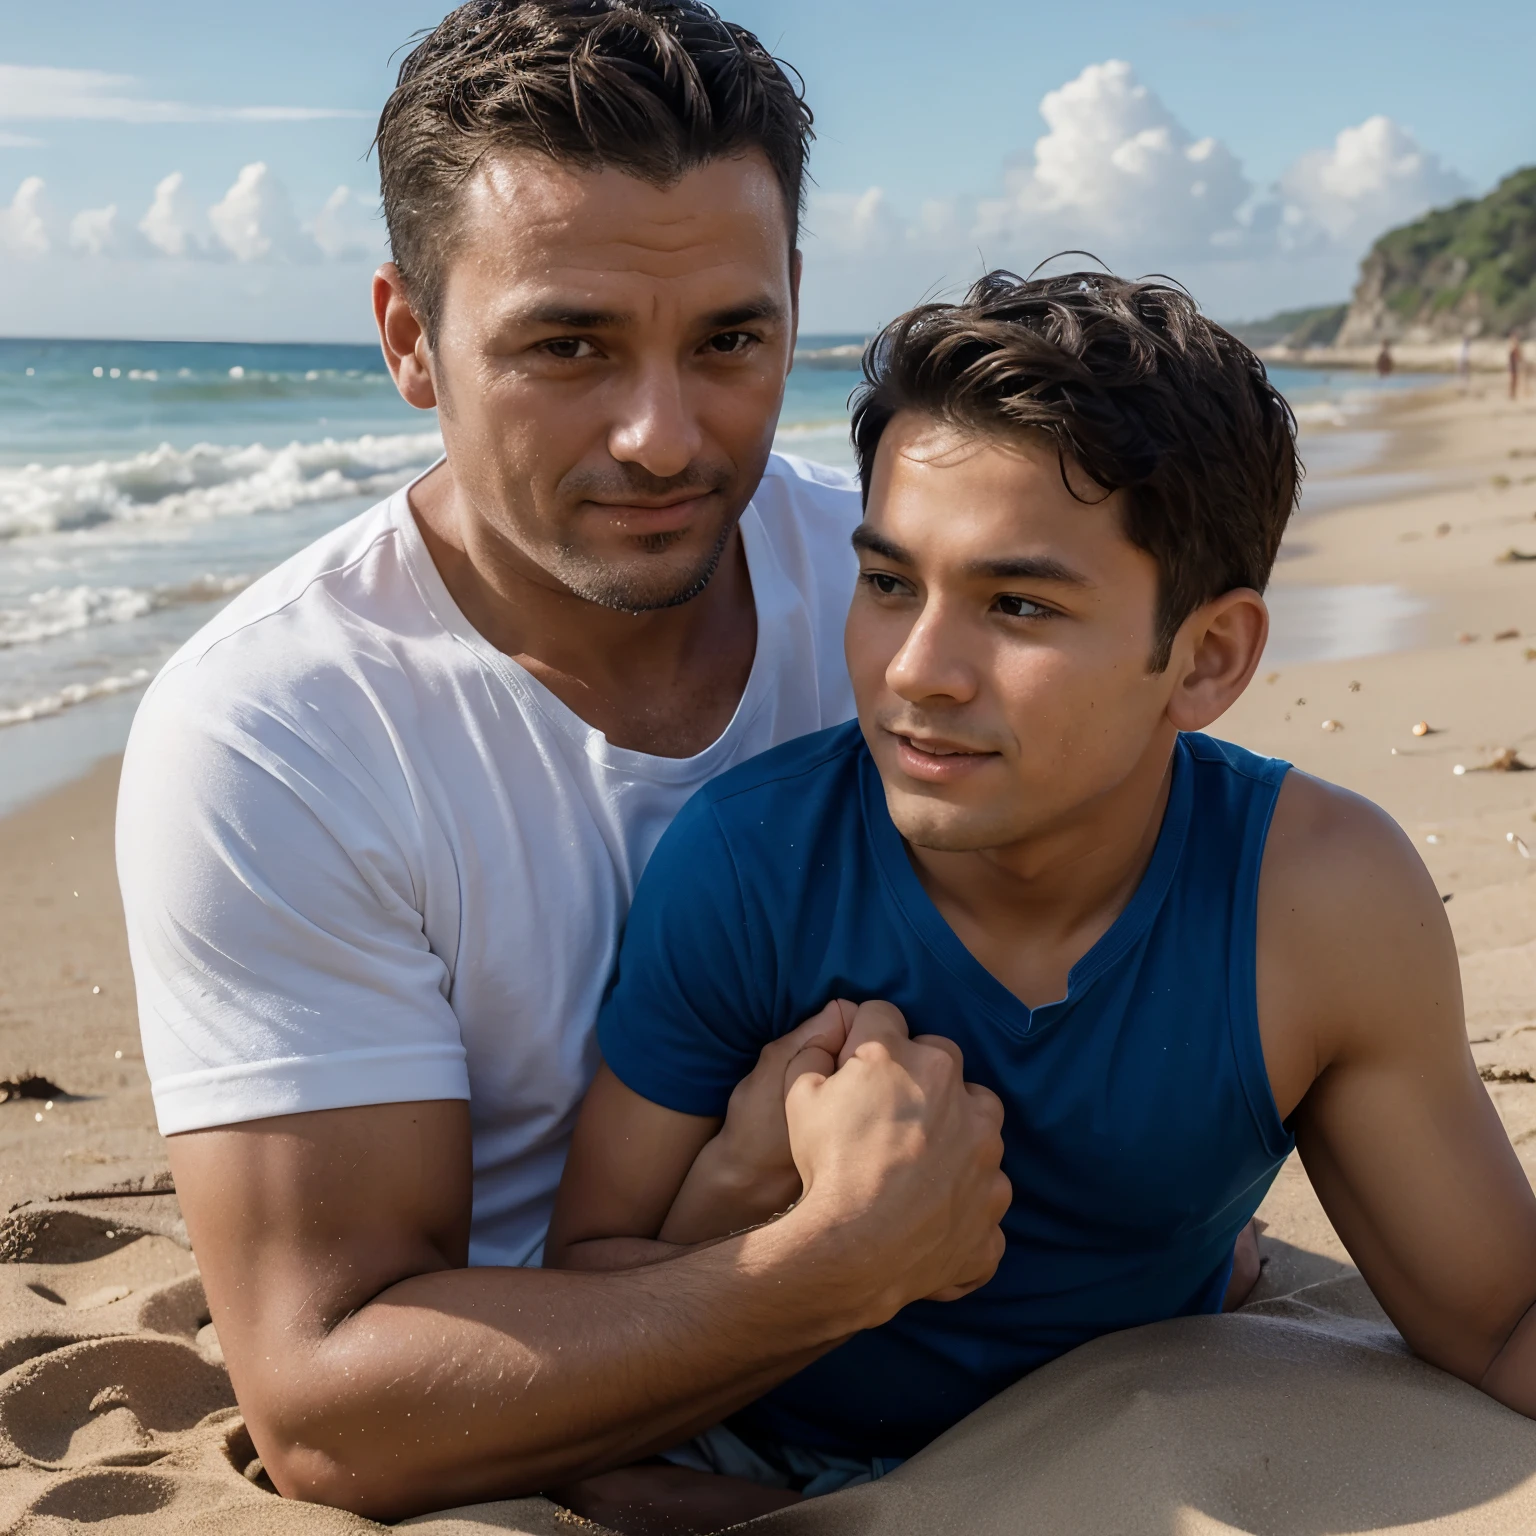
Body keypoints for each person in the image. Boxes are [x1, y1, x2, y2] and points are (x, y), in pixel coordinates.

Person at [115, 2, 1007, 1524]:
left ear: (796, 301)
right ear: (411, 339)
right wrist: (829, 1269)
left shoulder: (907, 613)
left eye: (731, 339)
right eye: (567, 345)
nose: (664, 437)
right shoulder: (281, 731)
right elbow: (331, 1406)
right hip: (556, 1434)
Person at [548, 271, 1536, 1517]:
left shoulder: (1314, 902)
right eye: (891, 582)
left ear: (1207, 657)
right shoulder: (753, 865)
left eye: (1017, 604)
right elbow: (586, 1287)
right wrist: (785, 1216)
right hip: (755, 1458)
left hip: (1118, 1439)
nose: (916, 671)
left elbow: (1498, 1322)